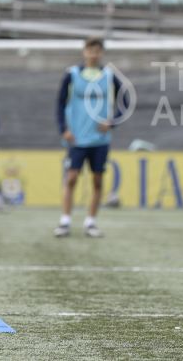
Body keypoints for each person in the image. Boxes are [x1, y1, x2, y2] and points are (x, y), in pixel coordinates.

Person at [53, 36, 128, 238]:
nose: (93, 54)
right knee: (71, 178)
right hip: (76, 138)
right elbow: (59, 103)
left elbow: (126, 101)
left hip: (100, 139)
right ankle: (65, 221)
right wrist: (63, 129)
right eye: (90, 50)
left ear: (101, 53)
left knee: (97, 180)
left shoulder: (109, 75)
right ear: (84, 51)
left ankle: (90, 222)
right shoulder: (72, 74)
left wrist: (112, 122)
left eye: (97, 50)